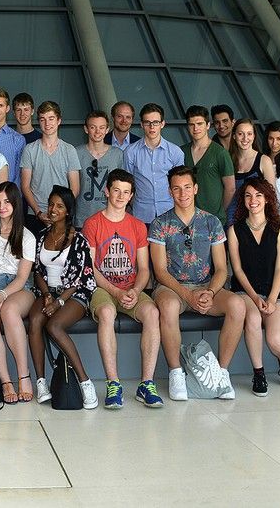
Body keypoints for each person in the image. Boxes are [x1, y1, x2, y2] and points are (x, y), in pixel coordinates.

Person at [150, 166, 244, 401]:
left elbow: (221, 268)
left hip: (205, 286)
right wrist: (187, 295)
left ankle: (220, 373)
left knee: (238, 306)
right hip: (171, 287)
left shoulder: (211, 222)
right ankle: (176, 372)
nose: (183, 194)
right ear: (170, 192)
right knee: (169, 307)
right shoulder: (160, 223)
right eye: (177, 189)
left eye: (187, 188)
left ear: (196, 189)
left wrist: (211, 291)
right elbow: (160, 271)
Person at [85, 170, 162, 409]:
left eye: (126, 192)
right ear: (107, 191)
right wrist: (116, 292)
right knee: (107, 313)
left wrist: (136, 291)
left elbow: (144, 269)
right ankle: (113, 384)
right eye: (116, 190)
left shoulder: (138, 226)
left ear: (131, 196)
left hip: (131, 288)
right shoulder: (93, 223)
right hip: (103, 288)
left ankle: (146, 384)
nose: (120, 196)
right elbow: (91, 269)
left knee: (152, 313)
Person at [27, 186, 98, 409]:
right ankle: (41, 383)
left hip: (74, 294)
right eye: (51, 204)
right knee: (36, 320)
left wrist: (59, 302)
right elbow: (37, 270)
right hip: (47, 291)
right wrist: (48, 295)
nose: (53, 209)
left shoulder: (78, 240)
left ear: (68, 210)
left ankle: (85, 382)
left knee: (55, 326)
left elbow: (80, 278)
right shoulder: (40, 236)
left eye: (59, 206)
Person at [226, 178, 280, 397]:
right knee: (253, 319)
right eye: (248, 195)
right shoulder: (235, 230)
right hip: (245, 291)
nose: (253, 200)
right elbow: (237, 270)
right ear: (242, 200)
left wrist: (272, 299)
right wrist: (255, 298)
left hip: (276, 291)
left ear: (267, 199)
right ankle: (259, 372)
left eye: (258, 195)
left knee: (275, 340)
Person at [0, 182, 36, 405]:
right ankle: (5, 381)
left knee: (9, 310)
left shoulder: (27, 236)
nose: (1, 206)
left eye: (7, 202)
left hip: (18, 287)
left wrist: (3, 294)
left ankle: (24, 376)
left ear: (15, 204)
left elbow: (22, 278)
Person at [20, 101, 80, 236]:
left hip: (62, 215)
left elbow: (75, 187)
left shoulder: (69, 150)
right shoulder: (30, 150)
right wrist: (38, 212)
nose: (47, 123)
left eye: (51, 118)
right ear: (39, 122)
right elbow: (25, 186)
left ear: (59, 121)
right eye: (43, 119)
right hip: (36, 214)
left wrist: (59, 210)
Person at [123, 103, 184, 225]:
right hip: (141, 214)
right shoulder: (130, 151)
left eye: (155, 122)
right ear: (141, 125)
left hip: (170, 212)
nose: (151, 127)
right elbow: (127, 183)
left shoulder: (175, 152)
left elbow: (180, 184)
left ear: (162, 124)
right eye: (147, 122)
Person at [181, 105, 234, 226]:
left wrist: (219, 211)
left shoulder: (220, 153)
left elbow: (230, 188)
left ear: (208, 125)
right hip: (187, 220)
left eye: (200, 124)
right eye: (191, 125)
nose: (196, 128)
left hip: (214, 221)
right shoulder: (181, 152)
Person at [75, 110, 123, 229]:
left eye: (102, 127)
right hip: (82, 219)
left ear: (107, 129)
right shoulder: (76, 153)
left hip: (111, 218)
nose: (97, 131)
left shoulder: (118, 154)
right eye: (93, 127)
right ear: (86, 129)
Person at [227, 118, 277, 221]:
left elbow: (271, 195)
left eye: (249, 134)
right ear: (234, 136)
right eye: (241, 134)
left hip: (256, 218)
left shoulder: (264, 160)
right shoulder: (227, 160)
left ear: (254, 136)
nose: (245, 138)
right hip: (231, 217)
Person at [0, 86, 26, 181]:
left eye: (1, 105)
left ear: (7, 108)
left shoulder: (18, 139)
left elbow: (19, 175)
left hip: (9, 194)